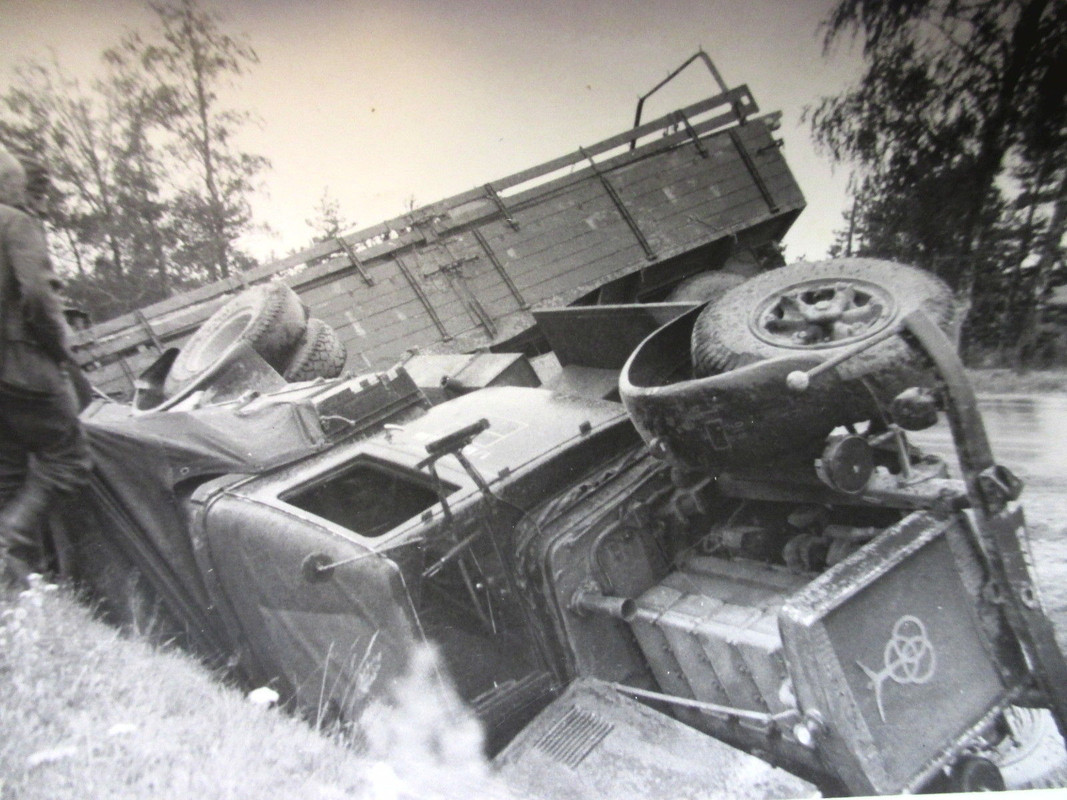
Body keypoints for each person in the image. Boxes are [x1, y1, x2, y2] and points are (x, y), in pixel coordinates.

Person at [0, 146, 91, 585]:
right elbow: (37, 294)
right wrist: (59, 350)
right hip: (24, 367)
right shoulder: (15, 222)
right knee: (68, 462)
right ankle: (12, 541)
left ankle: (20, 583)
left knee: (9, 475)